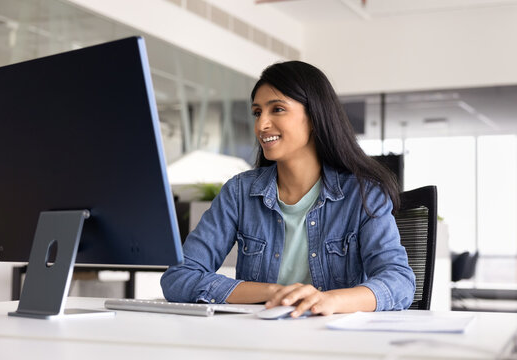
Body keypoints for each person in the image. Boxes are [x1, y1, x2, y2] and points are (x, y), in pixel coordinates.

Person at [161, 61, 415, 317]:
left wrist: (328, 300)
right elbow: (179, 277)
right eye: (257, 112)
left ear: (315, 117)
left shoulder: (364, 194)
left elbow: (399, 282)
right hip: (260, 337)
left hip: (335, 339)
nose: (262, 125)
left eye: (278, 109)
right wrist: (273, 292)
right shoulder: (239, 193)